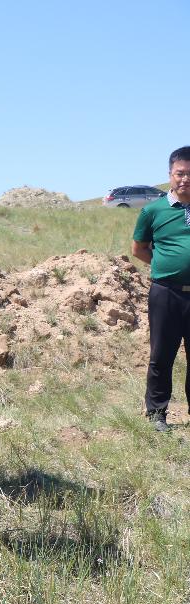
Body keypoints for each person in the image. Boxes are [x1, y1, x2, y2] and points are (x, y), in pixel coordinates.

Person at [132, 146, 190, 433]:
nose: (185, 179)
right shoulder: (153, 211)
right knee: (161, 355)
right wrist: (164, 266)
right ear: (170, 175)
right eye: (180, 173)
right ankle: (157, 414)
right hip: (166, 293)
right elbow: (139, 249)